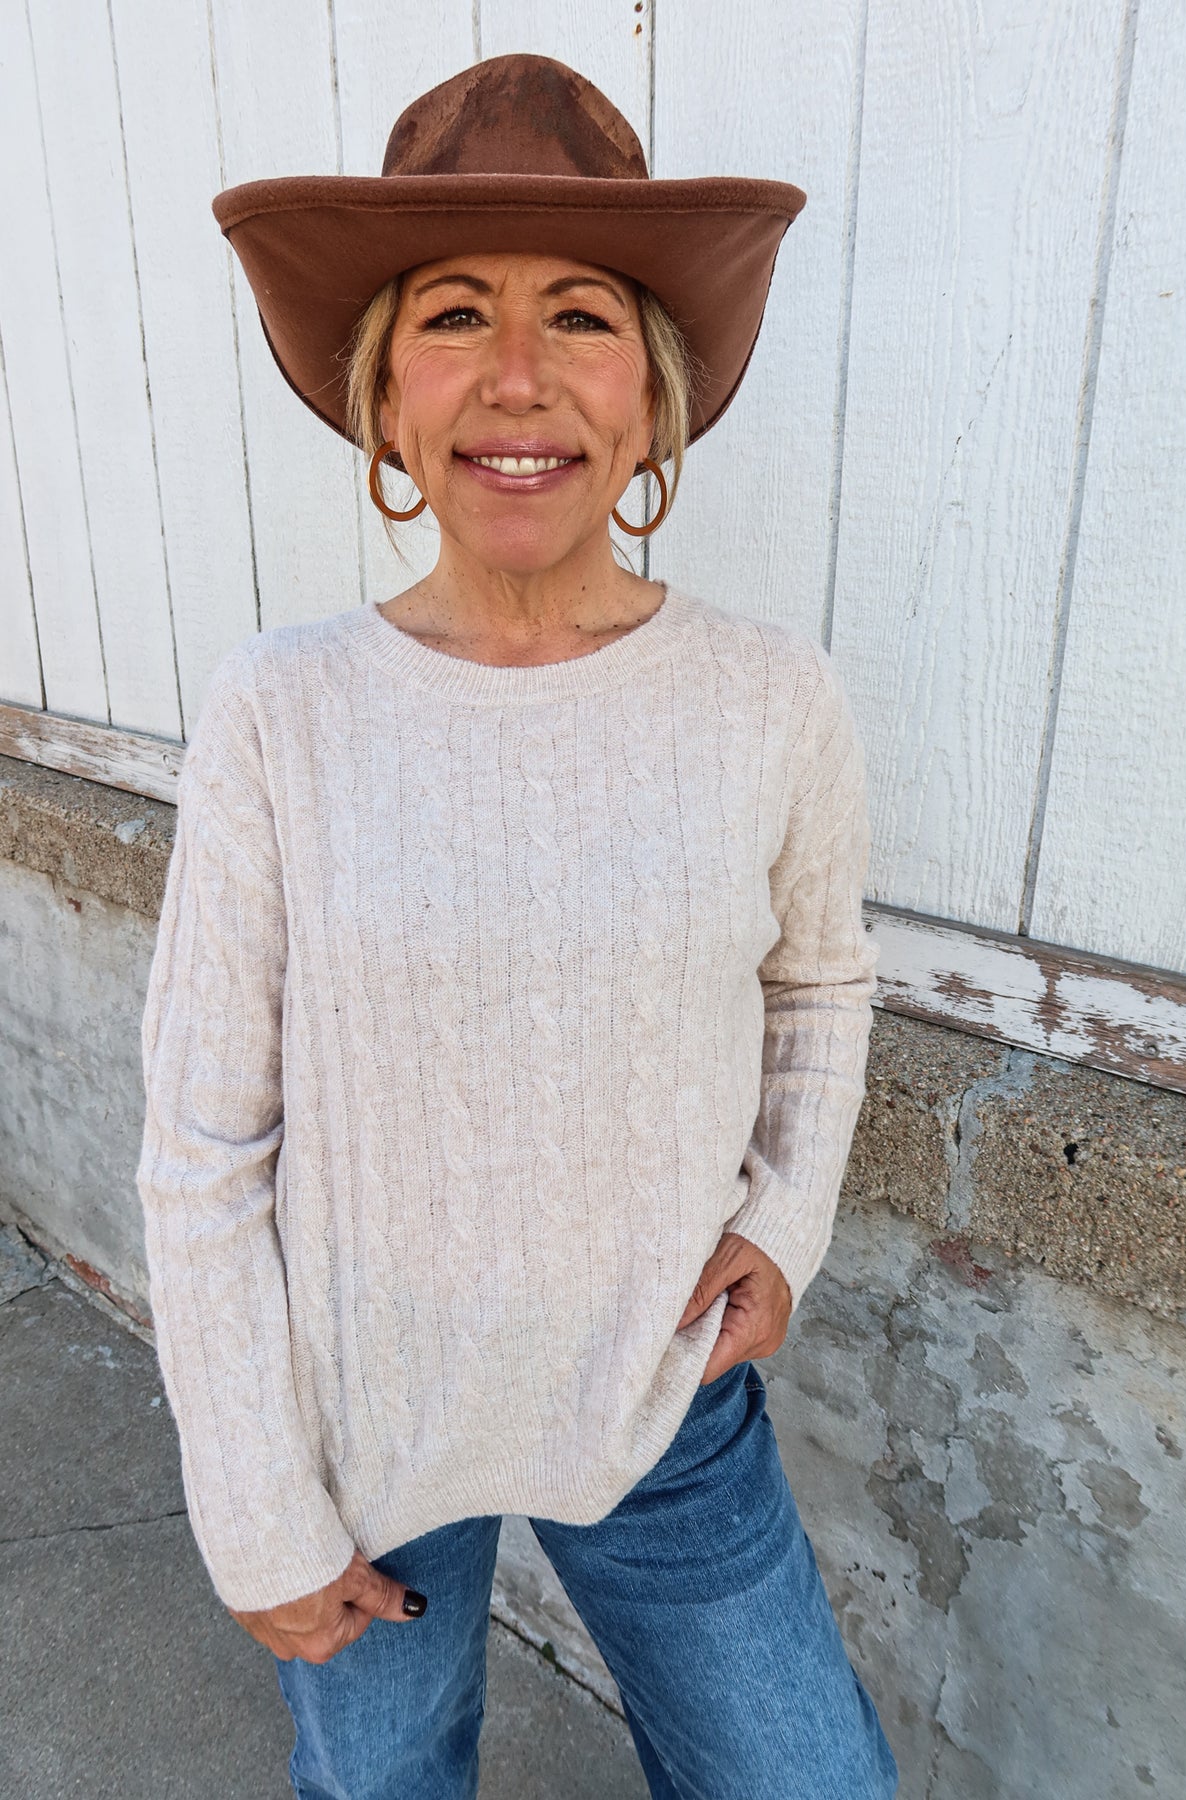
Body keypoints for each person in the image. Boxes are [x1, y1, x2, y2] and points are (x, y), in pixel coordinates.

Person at [137, 51, 899, 1800]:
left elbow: (820, 979)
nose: (517, 377)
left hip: (664, 1396)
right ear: (384, 399)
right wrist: (255, 1502)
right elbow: (203, 1140)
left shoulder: (770, 701)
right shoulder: (281, 714)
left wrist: (785, 1219)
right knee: (383, 1782)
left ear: (653, 395)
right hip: (362, 1422)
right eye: (455, 315)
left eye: (580, 316)